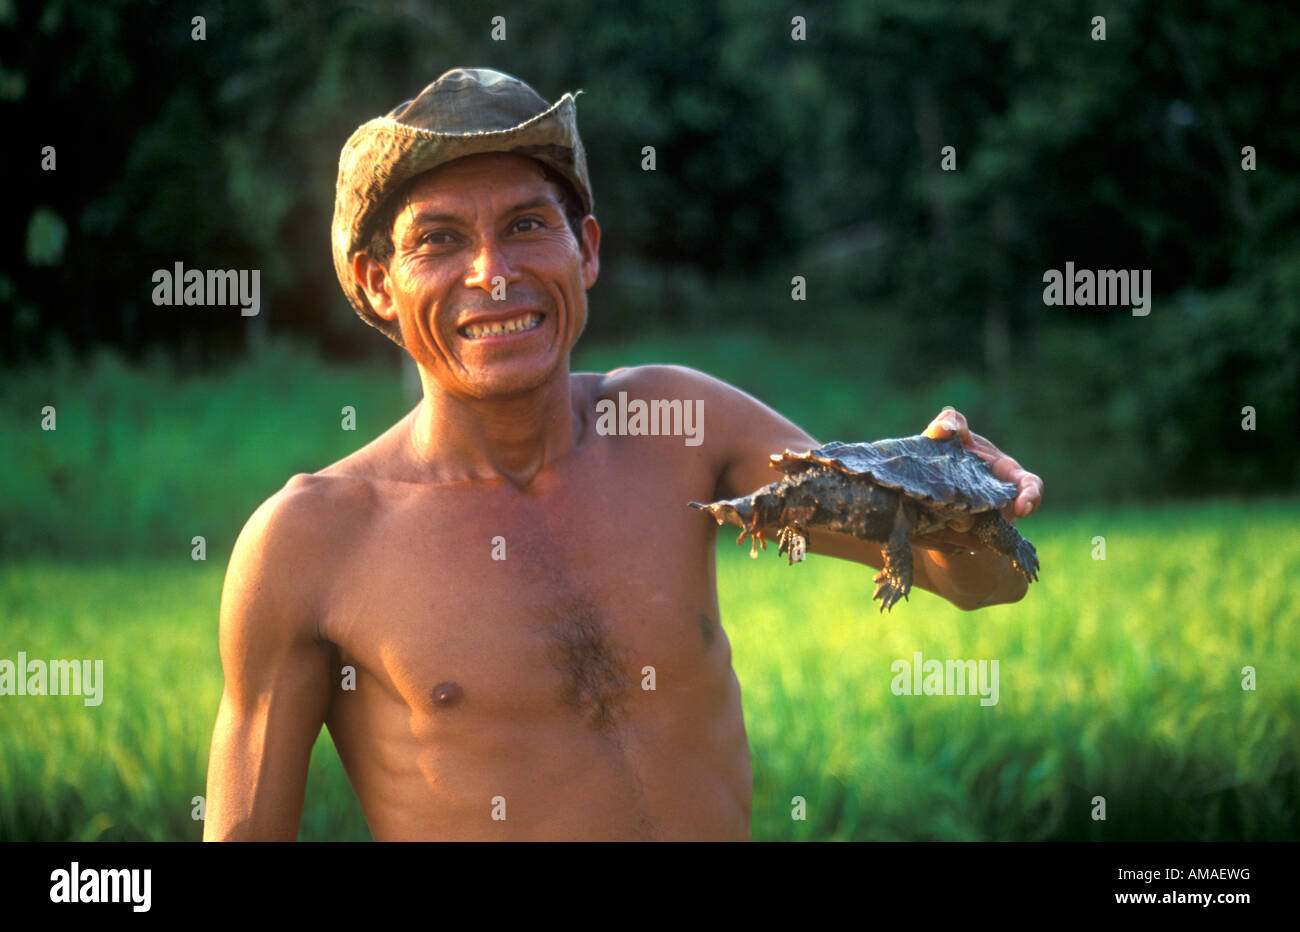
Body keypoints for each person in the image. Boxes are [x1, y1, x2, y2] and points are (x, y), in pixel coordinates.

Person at [202, 68, 1043, 841]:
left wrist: (966, 502)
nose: (493, 272)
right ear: (379, 283)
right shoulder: (312, 542)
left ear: (588, 250)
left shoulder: (682, 423)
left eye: (528, 225)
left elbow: (978, 584)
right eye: (440, 240)